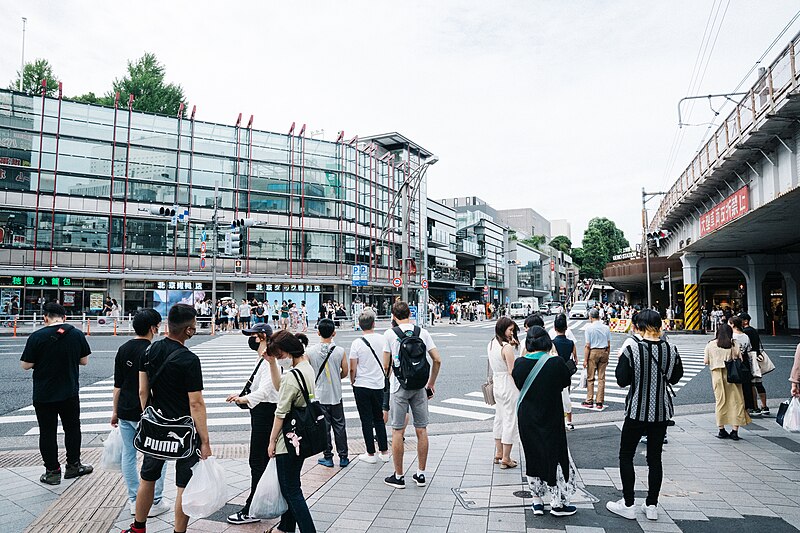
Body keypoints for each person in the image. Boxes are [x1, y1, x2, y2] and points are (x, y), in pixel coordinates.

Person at [123, 304, 212, 533]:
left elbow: (143, 391)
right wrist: (205, 441)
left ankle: (138, 527)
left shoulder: (149, 351)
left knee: (148, 477)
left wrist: (149, 415)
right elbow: (196, 403)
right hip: (184, 431)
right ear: (189, 330)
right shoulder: (189, 360)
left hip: (156, 427)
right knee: (184, 483)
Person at [607, 310, 683, 522]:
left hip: (636, 411)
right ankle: (651, 504)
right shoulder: (671, 348)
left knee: (626, 455)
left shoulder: (632, 348)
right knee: (655, 458)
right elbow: (676, 377)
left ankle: (628, 503)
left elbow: (622, 380)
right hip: (660, 412)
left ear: (639, 327)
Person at [20, 302, 93, 486]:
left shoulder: (37, 337)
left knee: (47, 432)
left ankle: (52, 472)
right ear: (64, 318)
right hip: (69, 392)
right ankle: (73, 465)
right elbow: (84, 361)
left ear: (45, 317)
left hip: (44, 394)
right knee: (72, 428)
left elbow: (25, 365)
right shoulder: (76, 334)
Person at [512, 326, 577, 517]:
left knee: (532, 456)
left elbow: (518, 383)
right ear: (547, 341)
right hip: (551, 416)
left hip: (527, 418)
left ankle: (537, 501)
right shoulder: (555, 362)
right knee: (555, 456)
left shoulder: (520, 363)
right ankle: (557, 503)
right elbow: (565, 382)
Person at [112, 309, 169, 517]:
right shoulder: (153, 351)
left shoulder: (123, 348)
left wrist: (114, 411)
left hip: (125, 409)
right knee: (156, 455)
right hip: (147, 411)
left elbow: (117, 384)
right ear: (153, 328)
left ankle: (134, 499)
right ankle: (154, 500)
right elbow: (150, 388)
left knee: (129, 454)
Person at [226, 323, 283, 525]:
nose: (250, 339)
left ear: (261, 337)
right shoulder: (264, 359)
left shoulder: (270, 360)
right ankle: (258, 504)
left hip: (266, 414)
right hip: (262, 413)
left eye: (252, 336)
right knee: (260, 462)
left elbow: (267, 391)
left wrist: (244, 399)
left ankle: (252, 508)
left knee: (257, 462)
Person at [383, 300, 442, 489]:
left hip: (399, 387)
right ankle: (421, 474)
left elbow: (386, 365)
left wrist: (388, 383)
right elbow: (437, 360)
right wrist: (430, 383)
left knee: (397, 431)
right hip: (419, 386)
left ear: (393, 316)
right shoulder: (422, 332)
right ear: (410, 313)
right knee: (421, 430)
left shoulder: (389, 334)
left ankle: (399, 476)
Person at [267, 330, 316, 533]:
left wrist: (271, 442)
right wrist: (272, 364)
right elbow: (283, 387)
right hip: (301, 436)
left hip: (287, 439)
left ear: (288, 351)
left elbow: (281, 413)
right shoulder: (306, 367)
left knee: (291, 489)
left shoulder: (292, 377)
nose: (279, 360)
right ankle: (286, 527)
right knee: (291, 485)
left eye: (279, 356)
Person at [349, 308, 391, 464]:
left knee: (366, 419)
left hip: (361, 385)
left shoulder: (357, 343)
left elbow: (353, 367)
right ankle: (385, 452)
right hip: (378, 384)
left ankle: (370, 453)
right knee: (379, 418)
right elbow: (389, 362)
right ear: (374, 323)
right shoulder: (383, 340)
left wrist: (353, 380)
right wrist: (385, 376)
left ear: (360, 326)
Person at [307, 318, 350, 467]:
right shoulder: (340, 351)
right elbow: (345, 371)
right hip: (336, 395)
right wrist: (337, 378)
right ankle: (343, 457)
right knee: (339, 426)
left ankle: (328, 456)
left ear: (318, 332)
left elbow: (307, 372)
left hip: (319, 396)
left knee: (324, 428)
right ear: (334, 333)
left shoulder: (310, 351)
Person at [704, 323, 751, 440]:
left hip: (717, 376)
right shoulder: (734, 344)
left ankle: (721, 430)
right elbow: (740, 358)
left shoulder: (711, 344)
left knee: (720, 402)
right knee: (737, 401)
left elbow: (706, 361)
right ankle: (734, 431)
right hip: (733, 375)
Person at [488, 317, 520, 468]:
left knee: (499, 418)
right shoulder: (507, 348)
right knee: (510, 420)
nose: (511, 333)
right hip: (508, 385)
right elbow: (512, 370)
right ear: (503, 329)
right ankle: (506, 458)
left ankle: (498, 453)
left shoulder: (491, 344)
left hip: (497, 384)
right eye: (510, 330)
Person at [551, 314, 578, 431]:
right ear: (566, 328)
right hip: (566, 374)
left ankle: (557, 422)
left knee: (555, 398)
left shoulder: (552, 343)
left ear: (555, 328)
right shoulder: (571, 343)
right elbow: (575, 360)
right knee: (567, 396)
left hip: (555, 374)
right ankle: (569, 421)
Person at [739, 313, 769, 415]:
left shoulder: (746, 332)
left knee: (752, 384)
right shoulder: (753, 330)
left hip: (751, 359)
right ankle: (764, 406)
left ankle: (755, 407)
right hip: (757, 357)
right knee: (759, 383)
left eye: (741, 320)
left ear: (746, 321)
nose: (740, 322)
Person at [582, 308, 611, 409]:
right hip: (604, 352)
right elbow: (608, 344)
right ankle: (599, 402)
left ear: (590, 317)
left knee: (590, 378)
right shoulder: (606, 328)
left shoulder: (589, 328)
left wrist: (585, 360)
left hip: (593, 352)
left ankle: (589, 400)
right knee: (601, 378)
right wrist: (608, 355)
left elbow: (587, 345)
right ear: (599, 316)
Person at [729, 316, 758, 416]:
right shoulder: (745, 336)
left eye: (729, 323)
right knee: (746, 386)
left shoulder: (732, 336)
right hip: (745, 363)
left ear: (733, 324)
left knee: (735, 386)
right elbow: (749, 349)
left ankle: (737, 408)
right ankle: (747, 407)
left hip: (735, 362)